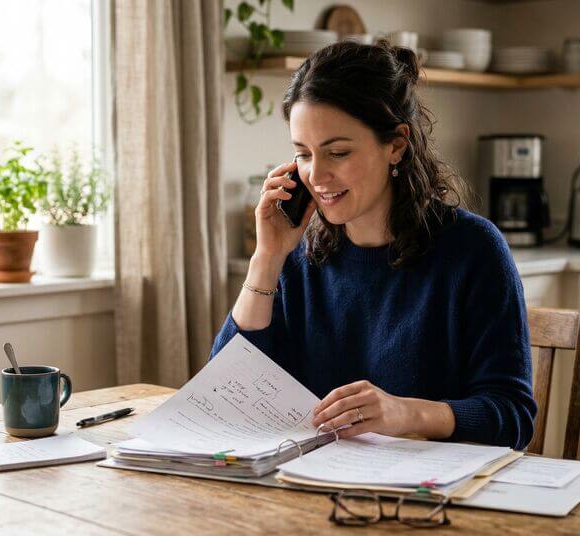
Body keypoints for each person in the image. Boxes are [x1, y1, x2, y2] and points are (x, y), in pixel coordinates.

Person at [210, 40, 537, 450]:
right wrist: (267, 257)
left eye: (338, 152)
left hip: (428, 499)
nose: (317, 175)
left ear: (397, 144)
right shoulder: (297, 255)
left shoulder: (472, 251)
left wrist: (405, 413)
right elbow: (224, 392)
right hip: (308, 489)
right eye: (304, 154)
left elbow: (513, 417)